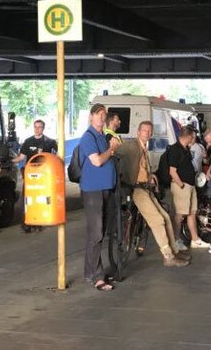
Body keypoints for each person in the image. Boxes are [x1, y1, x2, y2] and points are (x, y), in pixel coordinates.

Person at [117, 121, 189, 267]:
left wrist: (151, 176)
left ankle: (174, 251)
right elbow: (117, 152)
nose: (147, 133)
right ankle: (168, 256)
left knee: (167, 218)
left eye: (149, 131)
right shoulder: (131, 145)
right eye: (144, 130)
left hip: (146, 187)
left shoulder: (144, 147)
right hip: (136, 189)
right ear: (138, 132)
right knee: (157, 220)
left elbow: (142, 168)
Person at [79, 104, 121, 291]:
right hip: (93, 190)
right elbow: (96, 161)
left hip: (105, 189)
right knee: (96, 233)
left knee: (99, 232)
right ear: (91, 117)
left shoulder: (102, 137)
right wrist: (111, 150)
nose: (102, 118)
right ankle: (97, 276)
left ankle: (90, 272)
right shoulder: (88, 137)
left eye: (104, 115)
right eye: (99, 115)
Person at [168, 127, 210, 249]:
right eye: (193, 137)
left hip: (190, 186)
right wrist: (181, 185)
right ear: (187, 137)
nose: (194, 139)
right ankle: (175, 240)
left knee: (192, 212)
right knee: (179, 215)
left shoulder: (185, 149)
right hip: (182, 187)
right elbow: (172, 171)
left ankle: (195, 239)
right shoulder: (175, 150)